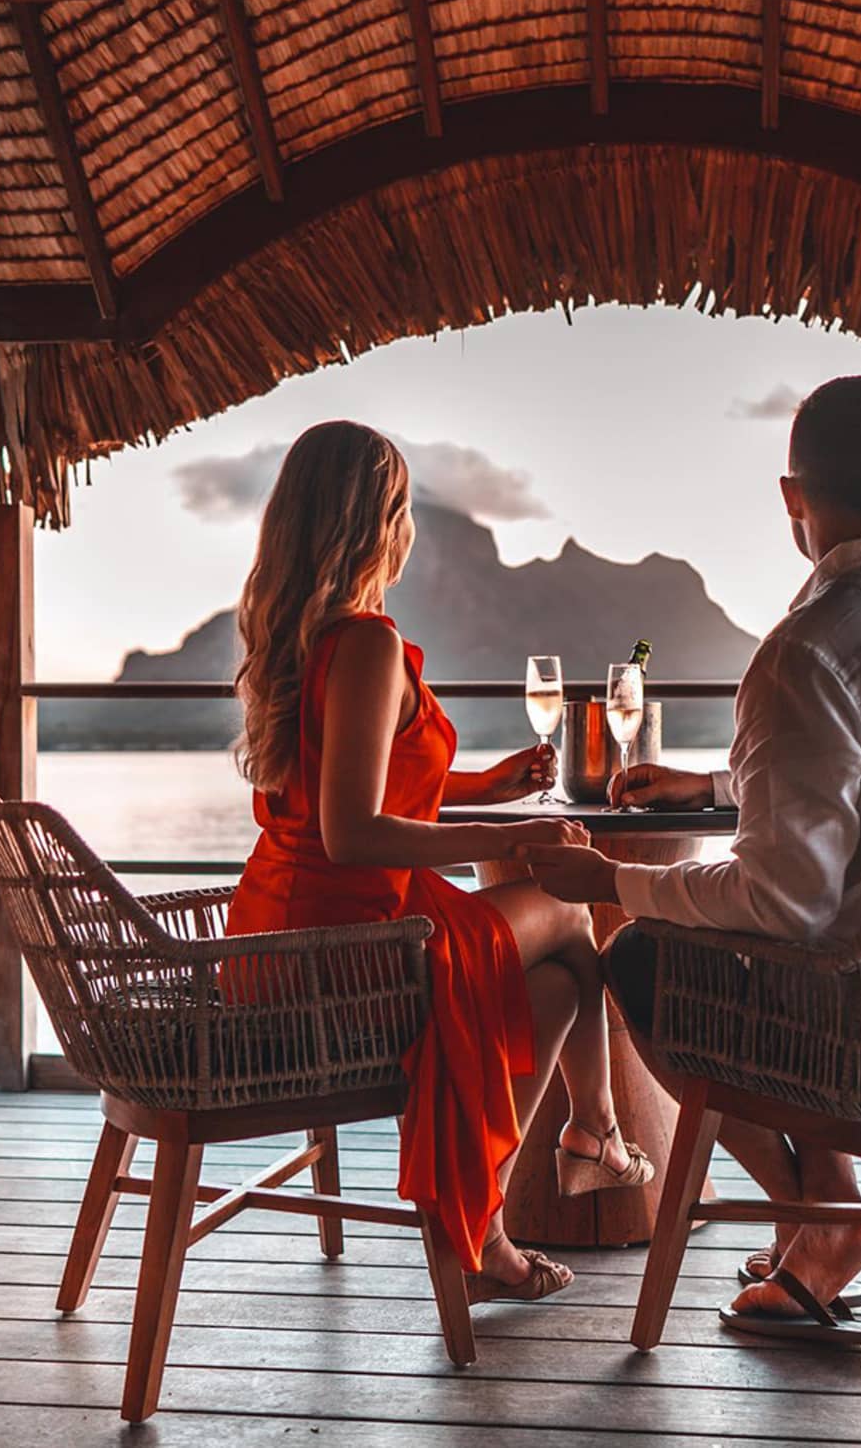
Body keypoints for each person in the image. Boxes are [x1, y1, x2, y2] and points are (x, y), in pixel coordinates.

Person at [525, 376, 861, 1339]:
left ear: (792, 495)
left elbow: (784, 904)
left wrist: (617, 883)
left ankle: (821, 1220)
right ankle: (827, 1211)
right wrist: (717, 789)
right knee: (725, 946)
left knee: (641, 958)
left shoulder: (807, 649)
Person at [224, 420, 652, 1303]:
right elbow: (356, 834)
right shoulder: (367, 643)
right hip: (348, 956)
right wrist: (509, 840)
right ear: (383, 519)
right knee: (572, 916)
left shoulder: (302, 637)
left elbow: (356, 793)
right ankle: (583, 1143)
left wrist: (488, 789)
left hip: (272, 939)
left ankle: (519, 1197)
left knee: (564, 988)